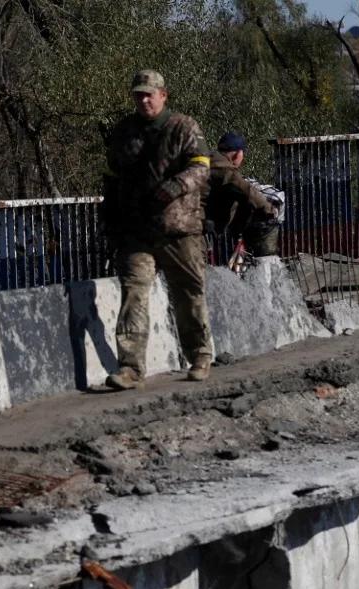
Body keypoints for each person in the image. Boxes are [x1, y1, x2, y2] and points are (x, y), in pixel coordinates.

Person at [103, 70, 214, 389]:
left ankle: (200, 356)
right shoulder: (125, 131)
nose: (145, 99)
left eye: (150, 94)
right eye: (139, 94)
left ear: (163, 95)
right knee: (134, 293)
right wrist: (112, 216)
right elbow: (114, 174)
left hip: (178, 227)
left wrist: (176, 186)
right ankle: (130, 368)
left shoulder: (183, 126)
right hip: (137, 228)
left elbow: (201, 167)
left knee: (188, 294)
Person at [206, 132, 281, 257]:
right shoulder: (223, 169)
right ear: (237, 154)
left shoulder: (209, 161)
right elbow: (247, 190)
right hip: (194, 231)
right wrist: (269, 209)